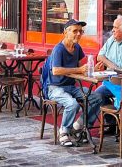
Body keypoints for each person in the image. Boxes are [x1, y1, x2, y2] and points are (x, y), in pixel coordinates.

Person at [43, 18, 103, 147]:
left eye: (81, 31)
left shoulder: (77, 48)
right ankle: (64, 132)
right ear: (66, 32)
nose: (79, 34)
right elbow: (56, 70)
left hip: (71, 86)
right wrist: (80, 69)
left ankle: (79, 126)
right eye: (75, 31)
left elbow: (81, 69)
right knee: (72, 104)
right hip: (55, 88)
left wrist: (90, 70)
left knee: (97, 98)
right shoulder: (59, 49)